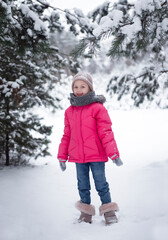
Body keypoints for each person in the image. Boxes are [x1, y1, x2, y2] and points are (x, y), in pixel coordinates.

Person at [57, 72, 123, 225]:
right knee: (82, 185)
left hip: (97, 156)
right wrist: (62, 156)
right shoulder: (69, 111)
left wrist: (113, 154)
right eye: (76, 86)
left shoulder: (97, 108)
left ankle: (108, 211)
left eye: (82, 86)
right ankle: (85, 213)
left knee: (101, 184)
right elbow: (66, 135)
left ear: (89, 88)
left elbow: (106, 132)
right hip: (79, 157)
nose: (79, 89)